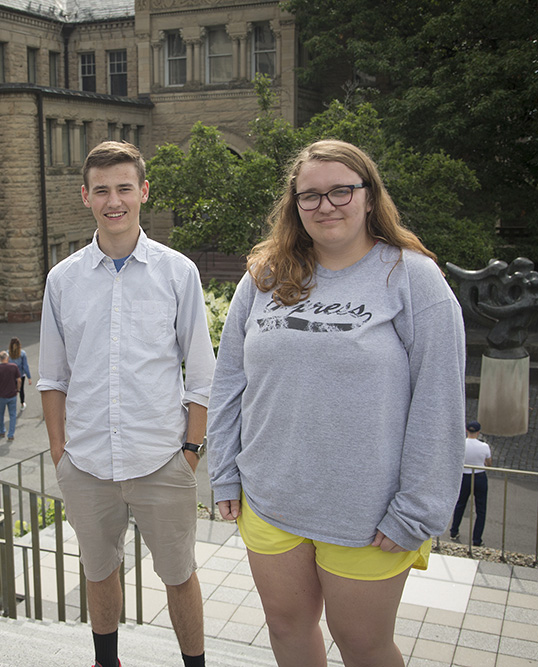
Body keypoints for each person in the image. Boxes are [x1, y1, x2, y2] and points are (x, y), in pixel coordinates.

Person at [207, 139, 466, 667]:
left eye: (341, 191)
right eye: (310, 196)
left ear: (369, 197)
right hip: (269, 499)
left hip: (366, 514)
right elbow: (229, 380)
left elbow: (438, 403)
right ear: (294, 206)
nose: (326, 205)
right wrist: (224, 473)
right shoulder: (264, 275)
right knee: (286, 629)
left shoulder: (413, 278)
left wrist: (417, 511)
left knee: (363, 646)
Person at [38, 141, 216, 667]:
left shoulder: (177, 272)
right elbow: (52, 376)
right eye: (101, 190)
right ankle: (106, 661)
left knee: (179, 574)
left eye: (123, 188)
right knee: (98, 570)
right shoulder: (63, 280)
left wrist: (191, 450)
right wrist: (58, 451)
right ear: (86, 198)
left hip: (163, 457)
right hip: (87, 461)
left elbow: (202, 371)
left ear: (142, 192)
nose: (113, 201)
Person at [450, 421, 492, 547]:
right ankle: (477, 539)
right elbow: (489, 463)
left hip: (464, 476)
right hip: (479, 476)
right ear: (478, 432)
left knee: (460, 504)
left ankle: (454, 531)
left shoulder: (462, 444)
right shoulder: (484, 446)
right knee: (481, 509)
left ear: (466, 430)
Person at [0, 350, 22, 440]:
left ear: (0, 359)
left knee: (0, 414)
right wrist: (18, 389)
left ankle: (2, 431)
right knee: (12, 415)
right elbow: (19, 380)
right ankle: (11, 434)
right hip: (12, 394)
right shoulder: (14, 367)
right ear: (7, 358)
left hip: (1, 395)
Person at [7, 336, 31, 411]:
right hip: (20, 375)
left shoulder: (7, 353)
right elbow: (25, 366)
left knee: (12, 390)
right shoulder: (22, 353)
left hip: (10, 375)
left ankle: (12, 404)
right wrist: (29, 377)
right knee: (21, 390)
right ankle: (22, 403)